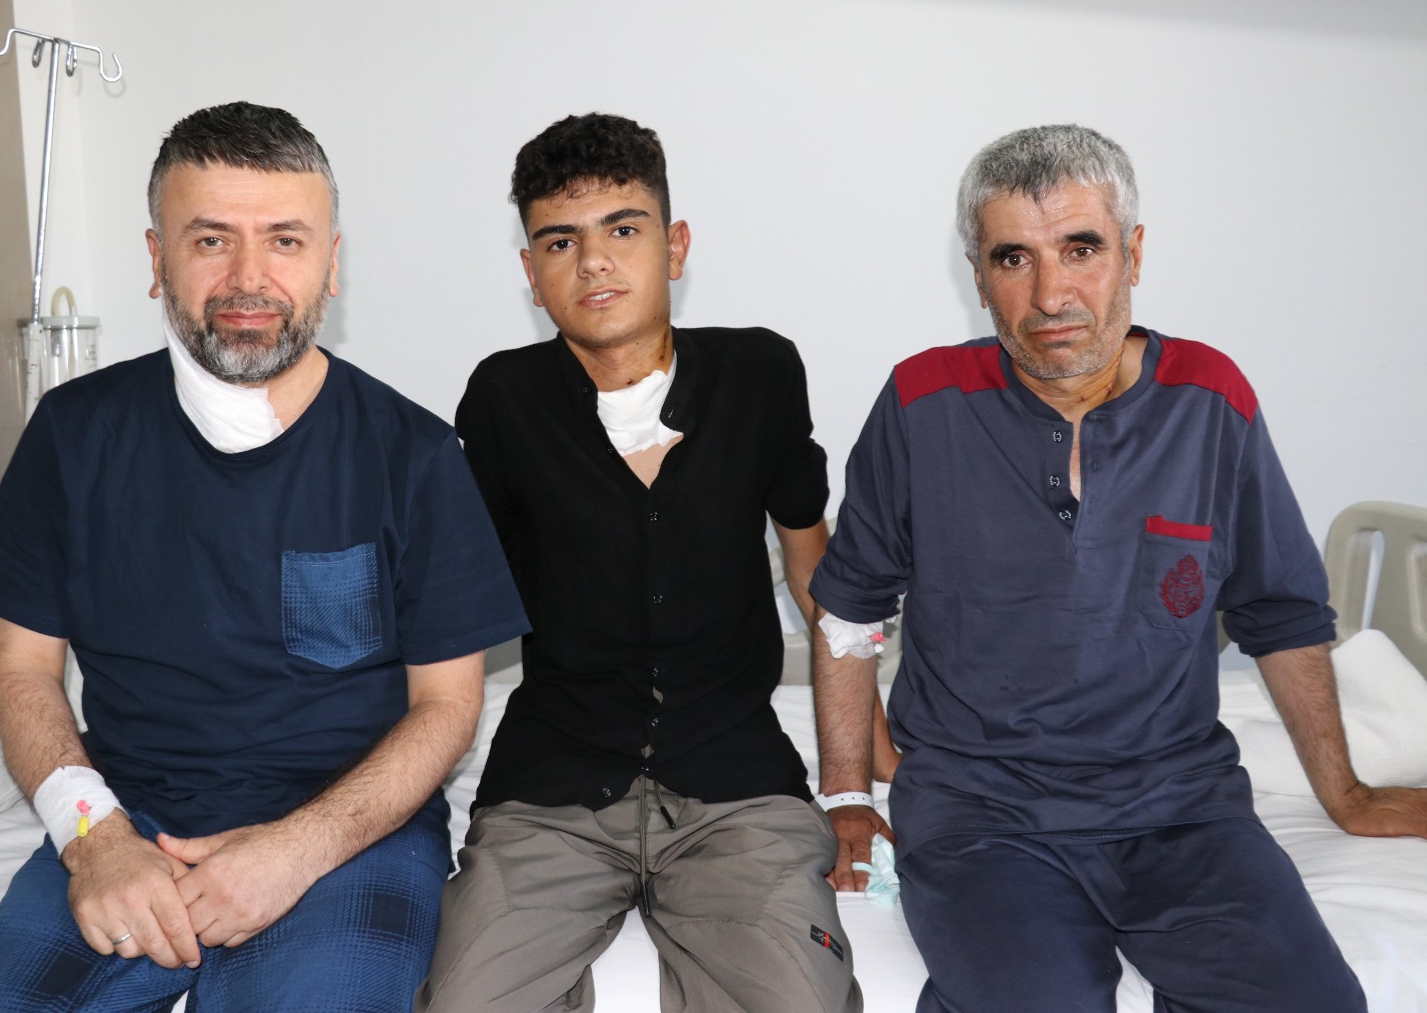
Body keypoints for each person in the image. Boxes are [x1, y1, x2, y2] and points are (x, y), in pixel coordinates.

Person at [810, 122, 1427, 1012]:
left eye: (1082, 248)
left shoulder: (1210, 400)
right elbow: (850, 608)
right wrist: (844, 793)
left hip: (1182, 808)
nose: (1051, 294)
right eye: (1013, 258)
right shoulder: (923, 401)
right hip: (981, 814)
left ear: (1133, 254)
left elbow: (1282, 613)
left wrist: (1349, 794)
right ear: (977, 277)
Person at [0, 102, 528, 1013]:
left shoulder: (414, 455)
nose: (249, 278)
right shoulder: (74, 437)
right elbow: (22, 666)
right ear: (158, 260)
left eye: (285, 241)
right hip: (126, 816)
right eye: (211, 240)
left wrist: (296, 850)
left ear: (332, 264)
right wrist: (92, 836)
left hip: (350, 828)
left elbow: (449, 705)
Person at [416, 113, 862, 1013]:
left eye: (623, 229)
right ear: (531, 272)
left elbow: (824, 585)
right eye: (560, 242)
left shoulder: (760, 374)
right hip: (552, 788)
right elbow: (451, 611)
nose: (594, 263)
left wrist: (860, 780)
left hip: (736, 785)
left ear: (675, 245)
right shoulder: (503, 399)